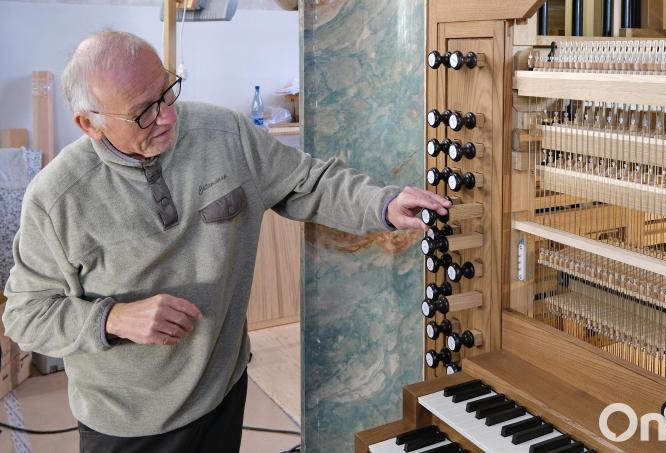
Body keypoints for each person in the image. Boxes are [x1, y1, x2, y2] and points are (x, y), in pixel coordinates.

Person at [2, 30, 449, 452]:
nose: (169, 116)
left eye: (167, 91)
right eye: (144, 112)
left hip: (223, 391)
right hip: (127, 425)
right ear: (90, 124)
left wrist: (381, 204)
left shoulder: (222, 133)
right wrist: (113, 318)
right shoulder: (56, 198)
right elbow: (26, 314)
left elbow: (305, 182)